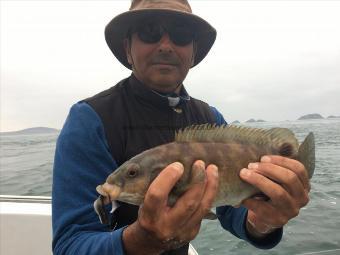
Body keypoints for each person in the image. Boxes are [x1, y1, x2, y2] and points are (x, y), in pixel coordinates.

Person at [52, 0, 311, 254]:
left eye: (181, 34)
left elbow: (234, 210)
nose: (166, 45)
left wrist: (263, 220)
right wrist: (139, 242)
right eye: (149, 31)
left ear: (193, 52)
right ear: (128, 48)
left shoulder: (210, 118)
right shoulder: (89, 120)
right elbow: (70, 244)